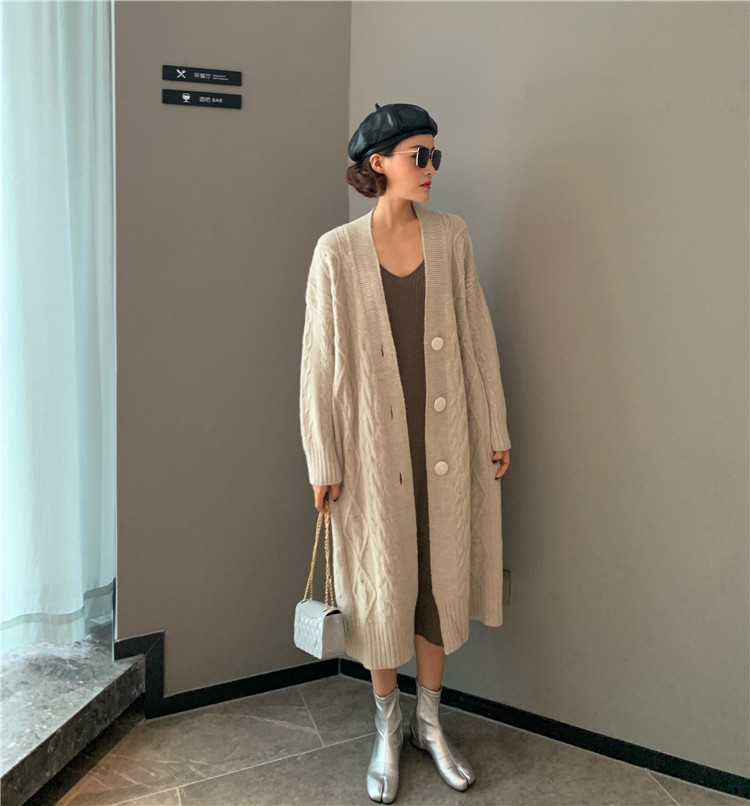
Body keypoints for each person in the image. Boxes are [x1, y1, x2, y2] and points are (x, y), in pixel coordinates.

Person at [299, 102, 511, 803]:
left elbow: (477, 334)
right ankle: (388, 726)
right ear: (378, 162)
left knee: (437, 585)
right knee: (380, 588)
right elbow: (319, 364)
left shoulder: (451, 236)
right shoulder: (336, 251)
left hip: (447, 446)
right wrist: (323, 459)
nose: (430, 169)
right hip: (369, 454)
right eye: (418, 155)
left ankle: (429, 723)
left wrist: (495, 426)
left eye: (433, 155)